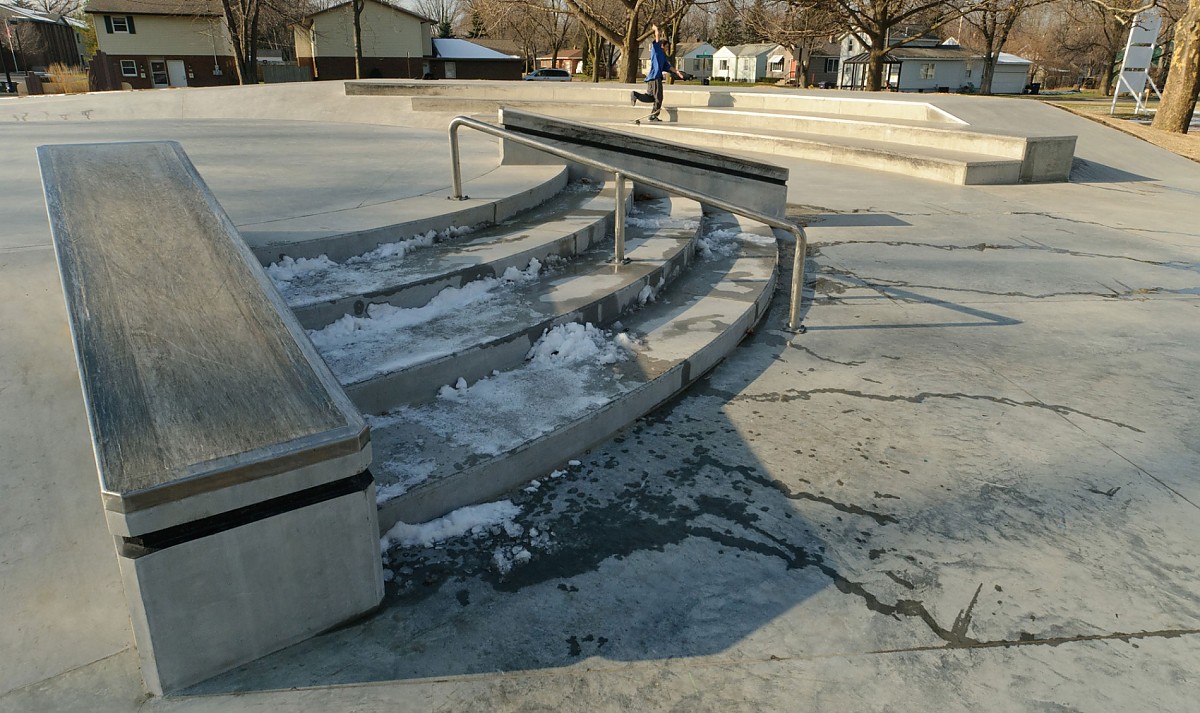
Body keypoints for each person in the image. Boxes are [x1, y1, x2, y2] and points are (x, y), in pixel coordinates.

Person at [631, 24, 684, 122]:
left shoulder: (663, 57)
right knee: (659, 98)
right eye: (666, 47)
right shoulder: (656, 50)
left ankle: (636, 95)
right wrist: (656, 29)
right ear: (662, 45)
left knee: (651, 97)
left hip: (651, 79)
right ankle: (653, 115)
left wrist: (677, 72)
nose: (667, 49)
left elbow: (669, 67)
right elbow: (657, 36)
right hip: (655, 78)